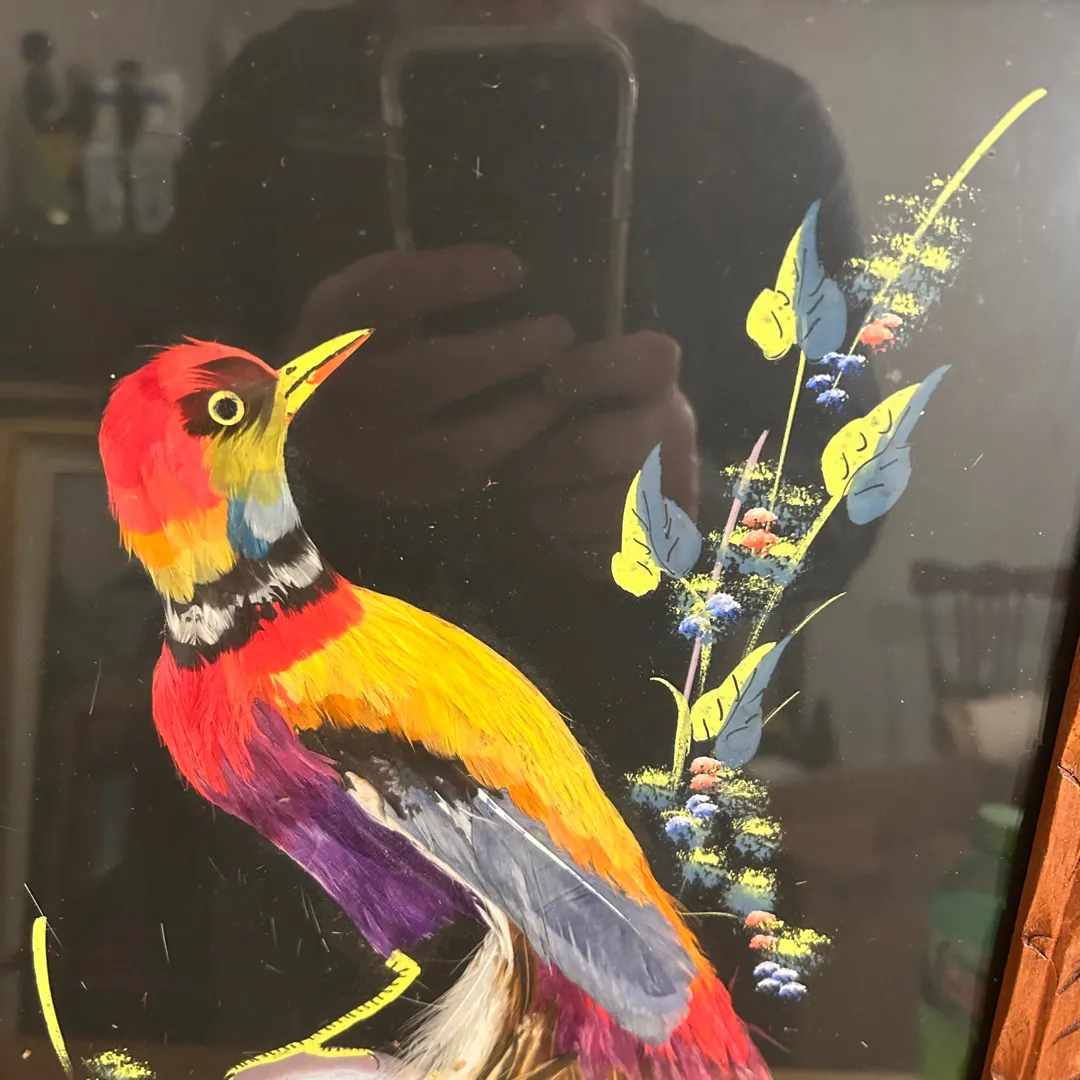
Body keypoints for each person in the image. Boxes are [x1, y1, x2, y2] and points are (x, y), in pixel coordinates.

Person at [151, 0, 879, 1041]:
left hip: (629, 840)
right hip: (327, 847)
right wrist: (293, 458)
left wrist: (696, 515)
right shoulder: (271, 101)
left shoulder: (761, 124)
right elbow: (145, 459)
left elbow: (843, 500)